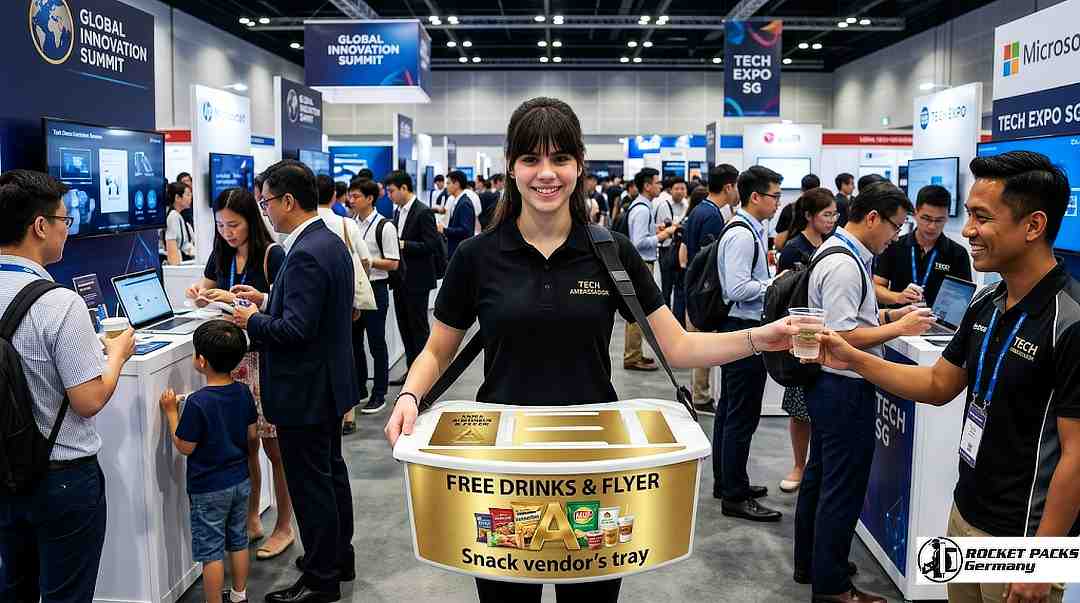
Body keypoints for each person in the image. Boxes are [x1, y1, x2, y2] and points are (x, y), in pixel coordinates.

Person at [382, 95, 798, 603]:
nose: (546, 173)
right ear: (511, 167)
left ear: (579, 165)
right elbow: (436, 352)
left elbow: (678, 346)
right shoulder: (477, 256)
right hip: (502, 470)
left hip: (595, 470)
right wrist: (410, 396)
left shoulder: (611, 251)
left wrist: (760, 337)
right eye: (531, 158)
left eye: (560, 158)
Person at [816, 152, 1080, 603]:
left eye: (982, 217)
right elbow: (938, 385)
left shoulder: (1070, 321)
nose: (967, 230)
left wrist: (1044, 558)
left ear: (1033, 226)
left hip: (1023, 537)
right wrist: (853, 358)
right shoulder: (985, 303)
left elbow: (1077, 454)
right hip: (965, 511)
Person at [793, 181, 933, 603]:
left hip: (831, 386)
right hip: (842, 388)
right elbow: (842, 337)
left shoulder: (844, 254)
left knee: (822, 476)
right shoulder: (843, 264)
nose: (896, 236)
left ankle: (814, 562)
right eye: (895, 226)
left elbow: (851, 318)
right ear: (873, 218)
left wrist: (890, 314)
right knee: (842, 487)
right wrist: (900, 327)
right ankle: (833, 587)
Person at [0, 170, 136, 603]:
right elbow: (88, 399)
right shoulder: (59, 302)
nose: (67, 230)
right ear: (40, 226)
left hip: (4, 473)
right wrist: (117, 355)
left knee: (12, 587)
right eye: (65, 220)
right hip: (61, 477)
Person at [230, 159, 358, 603]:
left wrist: (252, 319)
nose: (264, 210)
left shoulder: (304, 252)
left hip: (305, 389)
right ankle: (337, 557)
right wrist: (268, 299)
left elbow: (296, 329)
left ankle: (322, 580)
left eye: (266, 201)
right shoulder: (327, 240)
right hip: (327, 383)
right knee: (330, 474)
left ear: (288, 201)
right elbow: (312, 309)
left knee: (311, 485)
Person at [183, 187, 295, 561]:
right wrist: (200, 292)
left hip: (265, 361)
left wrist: (235, 299)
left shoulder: (272, 254)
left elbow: (282, 308)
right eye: (221, 225)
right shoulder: (222, 253)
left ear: (251, 220)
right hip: (234, 361)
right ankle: (252, 517)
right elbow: (207, 287)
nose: (227, 232)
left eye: (234, 225)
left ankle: (284, 526)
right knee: (246, 445)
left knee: (275, 449)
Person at [160, 320, 256, 603]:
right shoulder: (243, 392)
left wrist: (171, 413)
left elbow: (185, 446)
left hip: (208, 488)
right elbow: (252, 434)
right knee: (238, 540)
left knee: (211, 551)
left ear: (201, 361)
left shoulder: (198, 403)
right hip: (240, 480)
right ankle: (239, 595)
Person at [713, 166, 785, 522]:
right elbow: (737, 288)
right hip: (744, 329)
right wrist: (775, 283)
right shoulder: (742, 234)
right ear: (755, 196)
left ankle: (727, 481)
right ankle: (734, 495)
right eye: (775, 196)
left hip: (742, 328)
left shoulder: (748, 229)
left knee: (731, 410)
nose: (778, 203)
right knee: (741, 415)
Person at [774, 188, 838, 494]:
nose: (832, 220)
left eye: (835, 214)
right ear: (810, 216)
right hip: (803, 338)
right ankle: (799, 465)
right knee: (800, 409)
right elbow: (782, 293)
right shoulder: (794, 248)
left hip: (830, 338)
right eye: (826, 214)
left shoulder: (833, 245)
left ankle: (816, 469)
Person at [682, 163, 740, 414]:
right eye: (737, 186)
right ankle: (701, 395)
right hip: (704, 291)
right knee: (704, 346)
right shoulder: (712, 216)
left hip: (694, 287)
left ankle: (699, 392)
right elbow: (711, 260)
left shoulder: (699, 210)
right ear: (728, 187)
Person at [316, 174, 371, 434]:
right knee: (346, 351)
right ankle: (348, 414)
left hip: (311, 302)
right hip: (344, 302)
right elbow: (365, 260)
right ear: (334, 196)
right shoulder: (346, 224)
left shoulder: (301, 226)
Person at [873, 184, 972, 308]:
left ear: (947, 217)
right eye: (926, 218)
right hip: (898, 317)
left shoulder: (958, 254)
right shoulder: (893, 245)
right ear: (915, 213)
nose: (932, 226)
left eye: (939, 220)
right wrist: (898, 297)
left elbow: (963, 299)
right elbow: (876, 287)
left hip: (937, 319)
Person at [349, 178, 400, 417]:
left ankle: (379, 393)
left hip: (376, 288)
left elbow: (393, 263)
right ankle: (359, 387)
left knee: (376, 343)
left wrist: (368, 261)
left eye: (356, 196)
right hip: (355, 289)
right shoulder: (351, 224)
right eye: (350, 195)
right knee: (354, 342)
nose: (351, 200)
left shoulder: (385, 226)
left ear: (370, 198)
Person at [625, 167, 678, 371]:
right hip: (641, 263)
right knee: (637, 312)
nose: (660, 186)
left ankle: (634, 353)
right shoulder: (642, 209)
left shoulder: (643, 206)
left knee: (638, 311)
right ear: (647, 186)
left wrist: (655, 231)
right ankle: (632, 356)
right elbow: (638, 242)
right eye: (657, 183)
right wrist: (664, 235)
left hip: (642, 263)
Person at [388, 170, 441, 369]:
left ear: (404, 188)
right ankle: (411, 370)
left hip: (418, 280)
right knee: (405, 327)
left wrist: (403, 244)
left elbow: (431, 245)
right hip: (400, 279)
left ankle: (424, 373)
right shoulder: (398, 211)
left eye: (392, 191)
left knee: (418, 329)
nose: (389, 195)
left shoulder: (423, 211)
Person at [774, 174, 820, 251]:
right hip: (816, 250)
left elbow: (779, 237)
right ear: (818, 189)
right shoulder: (821, 209)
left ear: (802, 189)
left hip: (791, 250)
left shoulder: (789, 209)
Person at [441, 170, 476, 257]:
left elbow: (465, 230)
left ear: (456, 184)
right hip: (456, 250)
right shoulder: (458, 201)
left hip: (461, 252)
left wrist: (444, 230)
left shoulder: (464, 203)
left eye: (448, 183)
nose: (446, 186)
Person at [163, 181, 195, 265]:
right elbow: (171, 245)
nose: (190, 197)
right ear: (177, 197)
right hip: (178, 264)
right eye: (187, 194)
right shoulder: (173, 216)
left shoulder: (179, 216)